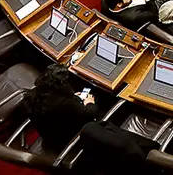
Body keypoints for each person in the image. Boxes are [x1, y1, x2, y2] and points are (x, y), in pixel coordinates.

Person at [24, 65, 159, 171]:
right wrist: (88, 102)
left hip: (51, 135)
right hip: (70, 139)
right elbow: (90, 112)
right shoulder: (65, 104)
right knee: (100, 105)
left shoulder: (34, 95)